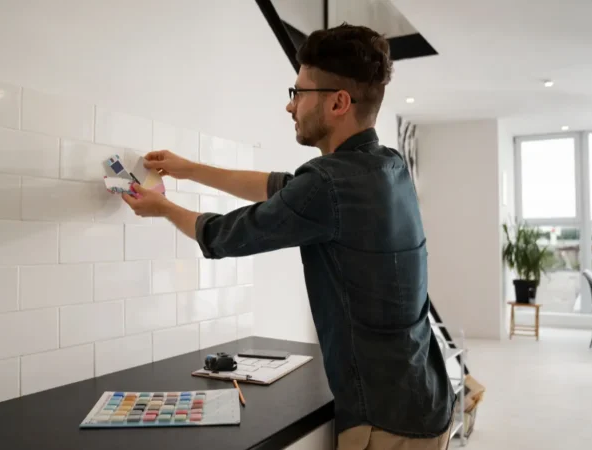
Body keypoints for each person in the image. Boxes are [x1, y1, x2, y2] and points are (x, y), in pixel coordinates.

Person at [123, 23, 455, 450]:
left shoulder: (329, 183)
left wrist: (162, 207)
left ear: (338, 102)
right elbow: (281, 187)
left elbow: (227, 236)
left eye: (299, 92)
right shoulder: (386, 166)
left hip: (386, 422)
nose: (289, 105)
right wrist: (191, 169)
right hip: (426, 398)